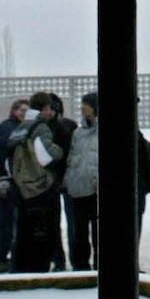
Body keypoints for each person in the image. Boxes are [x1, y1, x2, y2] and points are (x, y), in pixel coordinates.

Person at [9, 91, 68, 274]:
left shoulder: (19, 128)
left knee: (24, 230)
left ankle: (21, 266)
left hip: (21, 186)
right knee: (43, 230)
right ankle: (39, 268)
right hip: (40, 186)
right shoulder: (40, 127)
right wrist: (59, 151)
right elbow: (46, 157)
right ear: (45, 108)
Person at [0, 98, 30, 273]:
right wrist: (3, 178)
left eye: (27, 111)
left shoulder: (10, 127)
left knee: (6, 219)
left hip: (7, 180)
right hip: (5, 180)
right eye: (22, 110)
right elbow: (1, 154)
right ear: (14, 111)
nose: (24, 113)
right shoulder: (10, 128)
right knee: (5, 220)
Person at [64, 92, 100, 271]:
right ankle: (81, 267)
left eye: (86, 105)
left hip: (96, 190)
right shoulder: (78, 133)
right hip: (78, 188)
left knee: (98, 232)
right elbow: (72, 158)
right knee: (79, 232)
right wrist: (69, 180)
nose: (82, 108)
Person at [48, 92, 78, 271]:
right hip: (63, 178)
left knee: (64, 222)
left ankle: (60, 260)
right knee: (68, 222)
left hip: (58, 178)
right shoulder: (70, 126)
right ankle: (68, 260)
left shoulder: (66, 126)